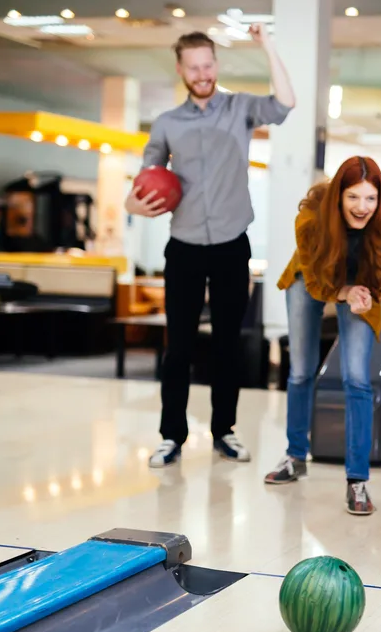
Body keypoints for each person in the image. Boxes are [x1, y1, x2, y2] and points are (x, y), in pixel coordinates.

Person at [126, 28, 295, 467]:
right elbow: (148, 177)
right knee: (178, 345)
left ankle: (225, 430)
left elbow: (286, 103)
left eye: (208, 65)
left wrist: (268, 47)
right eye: (193, 66)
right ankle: (171, 436)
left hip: (230, 243)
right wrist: (133, 202)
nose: (202, 73)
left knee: (226, 344)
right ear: (181, 70)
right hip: (182, 244)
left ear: (216, 66)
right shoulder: (166, 123)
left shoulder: (240, 108)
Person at [266, 156, 381, 516]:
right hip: (307, 280)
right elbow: (315, 281)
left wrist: (360, 294)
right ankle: (296, 456)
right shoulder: (311, 218)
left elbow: (375, 278)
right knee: (301, 370)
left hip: (356, 287)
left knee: (357, 378)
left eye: (370, 198)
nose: (362, 207)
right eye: (353, 197)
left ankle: (357, 480)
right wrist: (340, 292)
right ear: (338, 196)